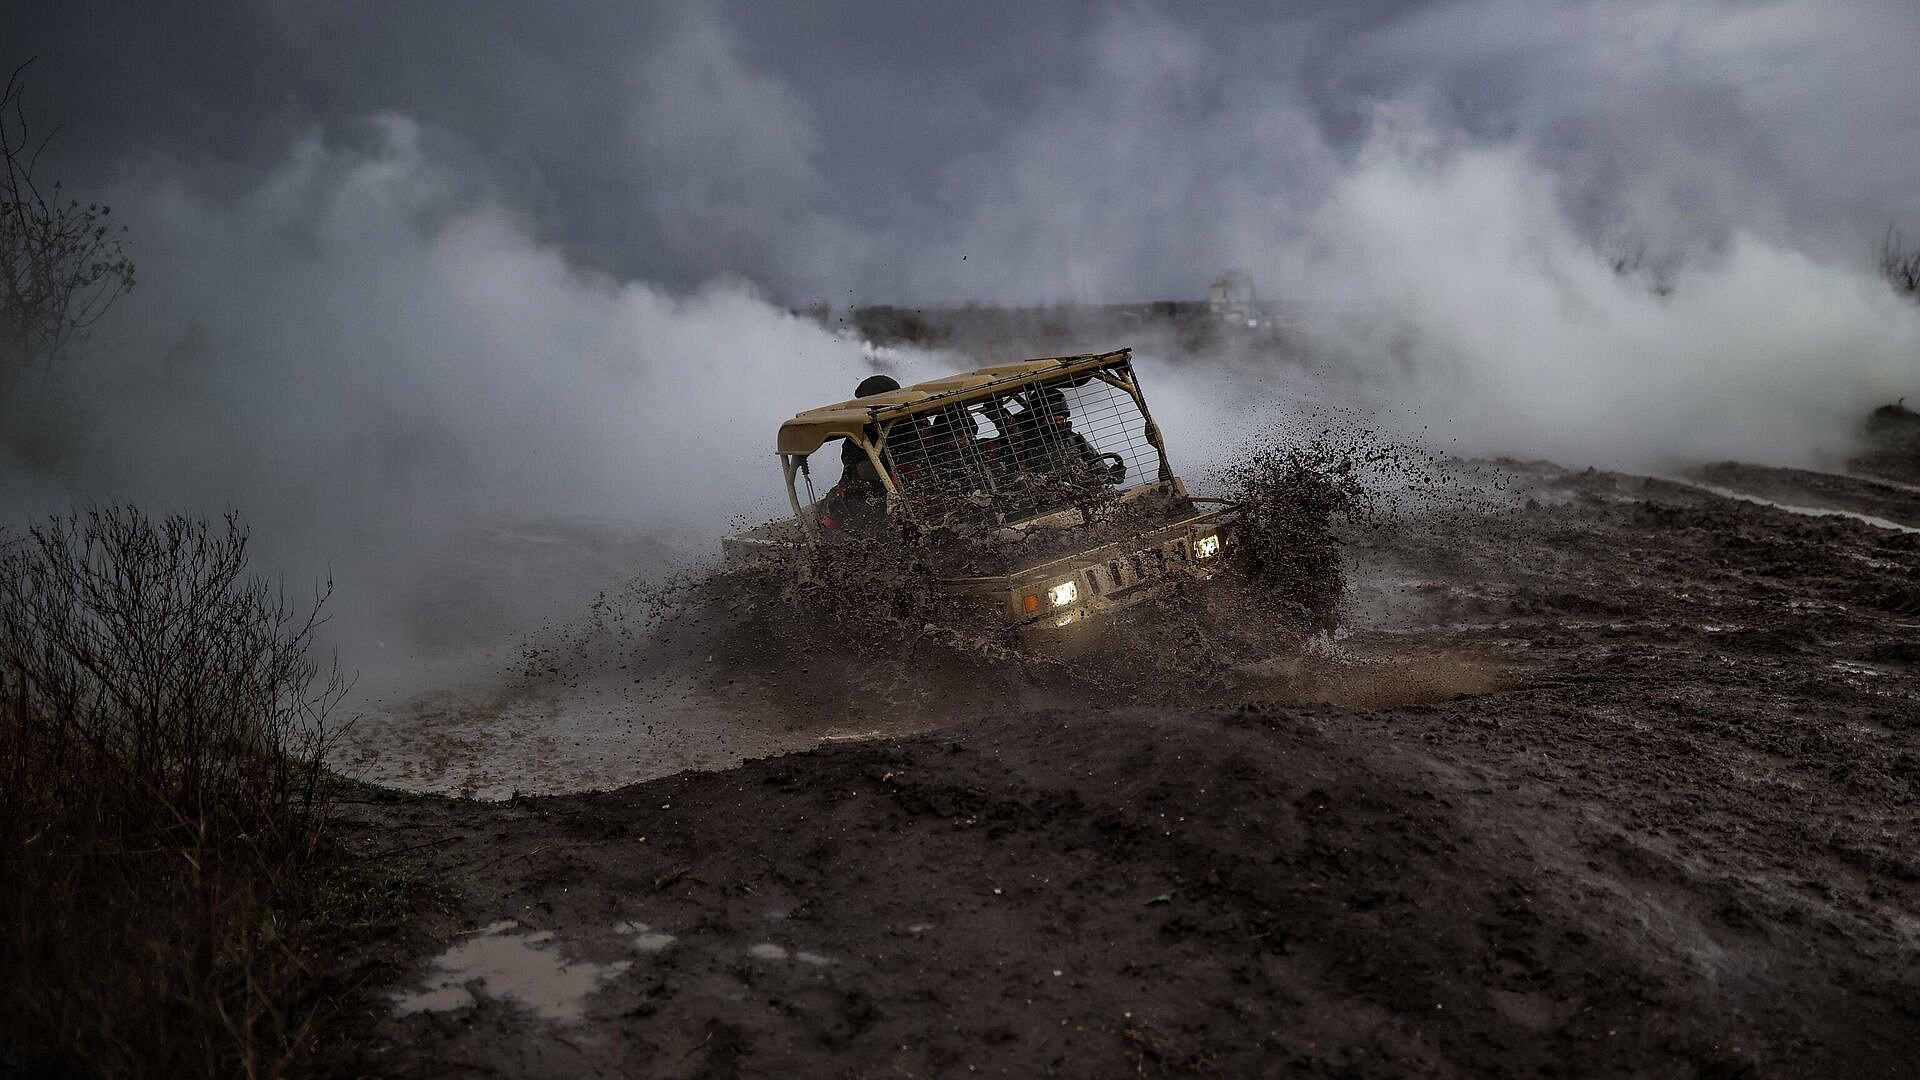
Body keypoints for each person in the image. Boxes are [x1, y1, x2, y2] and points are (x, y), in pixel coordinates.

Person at [818, 374, 899, 531]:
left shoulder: (907, 426)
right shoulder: (861, 434)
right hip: (871, 493)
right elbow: (857, 470)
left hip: (889, 494)